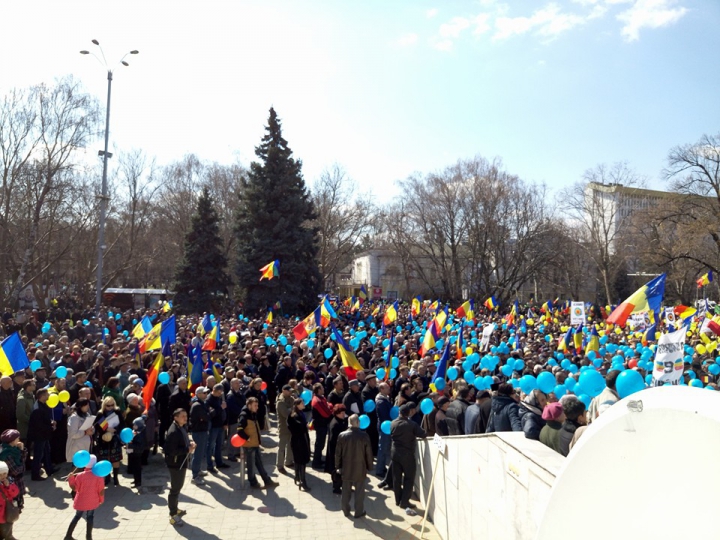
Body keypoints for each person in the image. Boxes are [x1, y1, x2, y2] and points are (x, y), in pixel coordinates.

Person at [390, 401, 426, 516]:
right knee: (409, 479)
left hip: (395, 454)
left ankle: (398, 499)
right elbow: (423, 434)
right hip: (407, 455)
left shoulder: (393, 423)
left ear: (399, 412)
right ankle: (404, 502)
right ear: (408, 413)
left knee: (396, 478)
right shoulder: (411, 425)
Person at [335, 413, 373, 519]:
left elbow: (338, 453)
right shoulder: (364, 436)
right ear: (358, 423)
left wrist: (337, 466)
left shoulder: (342, 435)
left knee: (346, 490)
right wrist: (370, 467)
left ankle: (345, 510)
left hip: (346, 468)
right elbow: (368, 453)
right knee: (359, 492)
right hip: (360, 468)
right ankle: (358, 512)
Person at [237, 397, 278, 489]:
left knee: (259, 464)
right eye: (255, 405)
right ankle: (253, 483)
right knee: (251, 466)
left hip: (255, 444)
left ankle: (267, 480)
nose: (257, 407)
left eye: (257, 405)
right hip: (249, 445)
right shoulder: (244, 415)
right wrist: (247, 439)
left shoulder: (252, 414)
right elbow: (239, 430)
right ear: (249, 405)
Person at [165, 408, 195, 527]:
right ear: (175, 417)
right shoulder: (173, 431)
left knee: (178, 487)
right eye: (182, 416)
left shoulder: (181, 427)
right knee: (175, 489)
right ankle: (173, 515)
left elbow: (184, 440)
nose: (185, 418)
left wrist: (190, 443)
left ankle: (175, 509)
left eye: (186, 415)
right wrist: (187, 449)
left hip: (181, 462)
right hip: (175, 464)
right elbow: (171, 451)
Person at [64, 458, 105, 540]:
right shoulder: (99, 476)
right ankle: (89, 537)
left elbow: (75, 488)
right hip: (92, 501)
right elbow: (101, 491)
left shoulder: (80, 475)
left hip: (81, 501)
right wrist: (101, 500)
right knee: (90, 517)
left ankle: (68, 535)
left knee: (77, 516)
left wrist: (71, 478)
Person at [28, 388, 56, 481]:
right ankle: (35, 475)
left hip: (44, 435)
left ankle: (49, 470)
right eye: (46, 394)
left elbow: (45, 419)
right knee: (38, 455)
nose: (48, 396)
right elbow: (38, 425)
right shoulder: (37, 408)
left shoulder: (43, 405)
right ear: (42, 396)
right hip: (39, 436)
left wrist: (51, 422)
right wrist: (50, 427)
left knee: (47, 452)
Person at [287, 398, 311, 491]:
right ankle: (302, 481)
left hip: (300, 439)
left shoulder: (298, 413)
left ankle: (297, 477)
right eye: (302, 403)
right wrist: (305, 425)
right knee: (301, 461)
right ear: (297, 405)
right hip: (299, 440)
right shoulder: (294, 415)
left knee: (298, 460)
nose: (304, 404)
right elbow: (296, 426)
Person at [0, 430, 26, 511]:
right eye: (17, 438)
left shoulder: (14, 450)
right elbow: (16, 471)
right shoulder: (6, 454)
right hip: (11, 485)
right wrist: (22, 466)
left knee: (17, 507)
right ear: (12, 441)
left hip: (16, 482)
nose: (19, 440)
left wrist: (22, 450)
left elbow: (22, 461)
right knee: (13, 508)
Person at [189, 386, 210, 485]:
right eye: (204, 393)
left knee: (201, 452)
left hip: (202, 430)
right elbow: (206, 417)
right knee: (198, 453)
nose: (206, 394)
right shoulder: (197, 405)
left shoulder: (202, 404)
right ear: (198, 394)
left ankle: (198, 470)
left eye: (206, 392)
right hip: (198, 432)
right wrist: (211, 413)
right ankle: (195, 476)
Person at [325, 404, 347, 494]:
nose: (344, 414)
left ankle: (342, 485)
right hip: (335, 451)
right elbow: (333, 440)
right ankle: (336, 488)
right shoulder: (335, 424)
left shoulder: (340, 421)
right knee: (336, 470)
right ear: (337, 413)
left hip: (339, 450)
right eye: (342, 413)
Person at [205, 384, 229, 471]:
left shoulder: (219, 398)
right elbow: (211, 414)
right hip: (213, 426)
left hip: (221, 425)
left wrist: (225, 422)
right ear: (214, 390)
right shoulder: (209, 400)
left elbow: (224, 411)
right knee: (210, 445)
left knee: (219, 445)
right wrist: (220, 407)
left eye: (221, 393)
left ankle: (219, 463)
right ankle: (209, 465)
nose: (220, 394)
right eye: (219, 393)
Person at [310, 382, 333, 469]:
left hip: (323, 424)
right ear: (319, 390)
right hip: (320, 424)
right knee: (319, 444)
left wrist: (329, 406)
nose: (324, 389)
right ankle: (316, 462)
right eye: (322, 388)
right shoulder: (317, 400)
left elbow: (328, 405)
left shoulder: (321, 398)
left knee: (321, 443)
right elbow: (326, 413)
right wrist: (330, 408)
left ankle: (318, 459)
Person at [374, 382, 393, 478]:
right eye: (386, 387)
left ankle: (382, 467)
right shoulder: (381, 402)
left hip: (386, 426)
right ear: (381, 389)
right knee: (382, 448)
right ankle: (379, 469)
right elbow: (384, 416)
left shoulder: (385, 399)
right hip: (384, 427)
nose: (389, 389)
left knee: (385, 447)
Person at [225, 378, 245, 463]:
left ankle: (237, 452)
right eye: (236, 383)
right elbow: (232, 408)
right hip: (234, 419)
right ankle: (230, 454)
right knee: (232, 436)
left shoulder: (239, 393)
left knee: (239, 435)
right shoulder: (230, 395)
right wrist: (241, 412)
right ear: (231, 385)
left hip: (239, 418)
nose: (238, 385)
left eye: (238, 383)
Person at [0, 461, 20, 540]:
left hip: (6, 514)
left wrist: (8, 486)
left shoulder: (10, 481)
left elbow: (15, 493)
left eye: (4, 473)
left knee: (7, 534)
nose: (2, 476)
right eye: (0, 474)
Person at [127, 417, 146, 488]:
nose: (133, 426)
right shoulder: (136, 432)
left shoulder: (140, 434)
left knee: (137, 468)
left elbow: (138, 445)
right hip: (134, 452)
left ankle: (138, 482)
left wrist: (130, 445)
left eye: (135, 425)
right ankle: (136, 480)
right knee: (134, 468)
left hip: (137, 453)